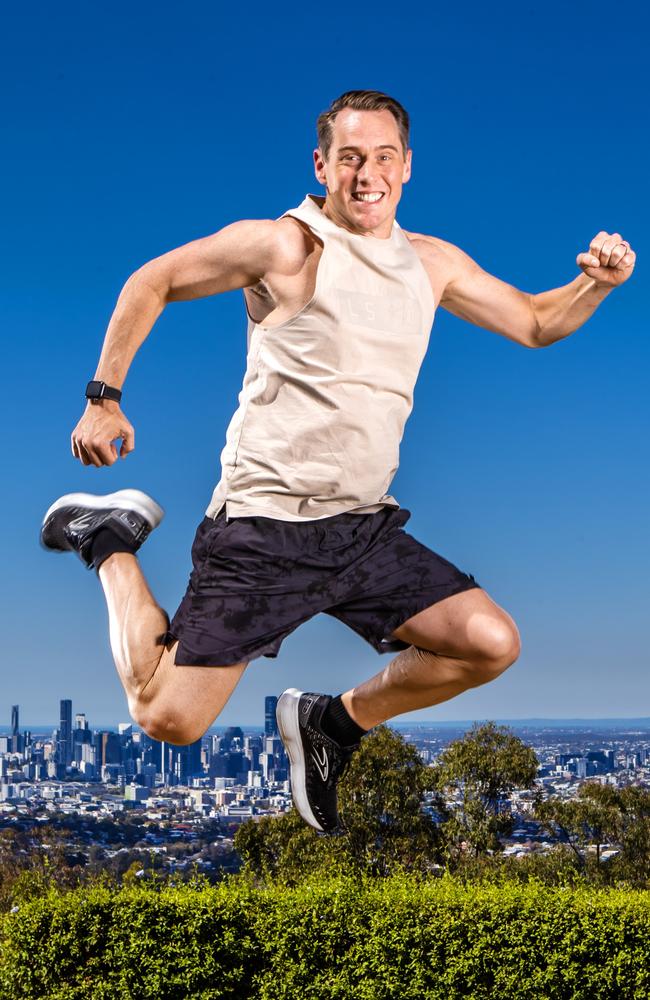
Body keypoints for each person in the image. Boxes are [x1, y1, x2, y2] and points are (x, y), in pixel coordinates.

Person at [41, 90, 635, 834]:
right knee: (166, 719)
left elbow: (538, 322)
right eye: (350, 157)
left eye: (384, 156)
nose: (367, 173)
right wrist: (104, 397)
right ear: (322, 163)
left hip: (360, 530)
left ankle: (334, 724)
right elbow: (152, 280)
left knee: (488, 644)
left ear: (407, 167)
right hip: (263, 530)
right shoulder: (286, 246)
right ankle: (106, 540)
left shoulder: (433, 262)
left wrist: (596, 285)